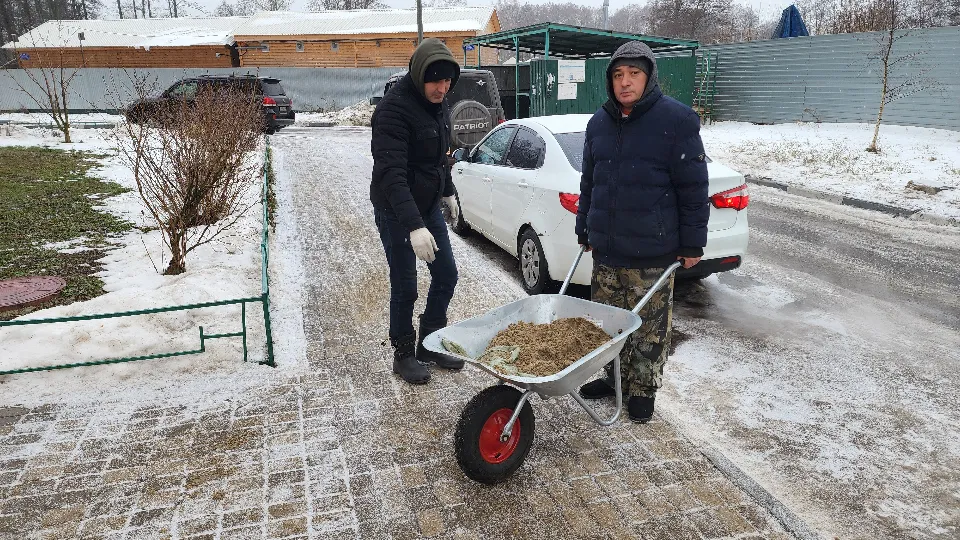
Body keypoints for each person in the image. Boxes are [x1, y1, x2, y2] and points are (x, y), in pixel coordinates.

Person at [575, 41, 710, 423]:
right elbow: (591, 182)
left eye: (633, 74)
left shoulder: (676, 120)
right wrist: (584, 225)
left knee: (649, 328)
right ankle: (612, 378)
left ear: (649, 77)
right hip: (607, 250)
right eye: (618, 75)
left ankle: (642, 389)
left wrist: (692, 242)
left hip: (653, 252)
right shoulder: (599, 123)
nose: (625, 82)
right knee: (609, 324)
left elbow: (693, 188)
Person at [370, 38, 464, 385]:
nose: (443, 88)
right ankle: (404, 353)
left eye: (447, 81)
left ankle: (429, 343)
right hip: (396, 210)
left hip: (426, 206)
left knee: (446, 274)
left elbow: (439, 158)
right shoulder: (393, 111)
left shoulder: (438, 104)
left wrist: (448, 191)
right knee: (406, 284)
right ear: (419, 74)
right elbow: (391, 175)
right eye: (436, 81)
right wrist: (413, 226)